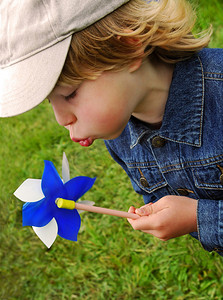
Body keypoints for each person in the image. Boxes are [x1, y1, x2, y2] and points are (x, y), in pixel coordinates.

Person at [1, 0, 223, 256]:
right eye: (50, 101)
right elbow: (151, 192)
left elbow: (199, 217)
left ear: (128, 46)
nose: (61, 120)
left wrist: (200, 218)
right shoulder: (119, 137)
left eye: (70, 94)